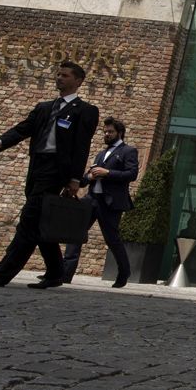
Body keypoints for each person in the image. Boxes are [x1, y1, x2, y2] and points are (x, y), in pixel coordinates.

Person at [0, 61, 99, 289]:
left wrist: (74, 179)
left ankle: (2, 274)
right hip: (38, 168)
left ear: (78, 81)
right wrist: (0, 142)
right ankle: (56, 272)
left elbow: (81, 146)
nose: (59, 78)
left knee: (29, 220)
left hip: (56, 171)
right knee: (41, 222)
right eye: (58, 74)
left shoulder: (85, 111)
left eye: (65, 75)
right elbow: (23, 129)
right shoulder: (44, 107)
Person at [59, 117, 139, 288]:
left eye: (110, 132)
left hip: (110, 203)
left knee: (112, 240)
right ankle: (65, 273)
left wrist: (107, 172)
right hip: (91, 200)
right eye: (105, 132)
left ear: (120, 133)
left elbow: (131, 174)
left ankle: (124, 272)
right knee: (75, 234)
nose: (107, 134)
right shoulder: (101, 153)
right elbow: (87, 177)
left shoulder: (128, 151)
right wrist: (88, 177)